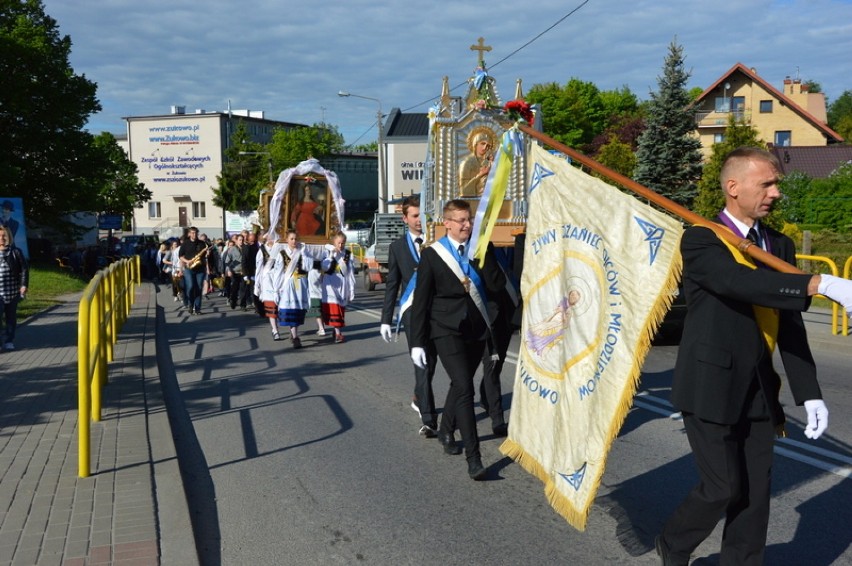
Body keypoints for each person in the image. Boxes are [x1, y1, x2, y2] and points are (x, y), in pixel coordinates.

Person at [655, 147, 852, 566]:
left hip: (760, 389)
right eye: (767, 183)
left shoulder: (778, 244)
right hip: (710, 385)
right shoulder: (702, 237)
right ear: (733, 187)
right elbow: (738, 282)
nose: (776, 192)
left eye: (776, 183)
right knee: (722, 487)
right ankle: (673, 544)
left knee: (755, 497)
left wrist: (808, 392)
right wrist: (815, 284)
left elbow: (789, 326)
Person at [409, 199, 506, 480]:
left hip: (476, 329)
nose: (467, 225)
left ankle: (447, 430)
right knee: (465, 387)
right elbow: (422, 302)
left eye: (469, 219)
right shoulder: (432, 255)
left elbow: (496, 287)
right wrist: (417, 342)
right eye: (461, 220)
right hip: (445, 328)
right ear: (447, 223)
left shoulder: (479, 249)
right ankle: (474, 459)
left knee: (459, 384)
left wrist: (483, 256)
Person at [380, 195, 439, 437]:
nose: (419, 220)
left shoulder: (437, 241)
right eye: (414, 216)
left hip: (436, 311)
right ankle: (429, 419)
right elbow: (392, 284)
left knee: (432, 362)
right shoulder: (397, 247)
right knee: (421, 364)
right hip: (412, 313)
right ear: (405, 218)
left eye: (422, 215)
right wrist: (385, 318)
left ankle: (419, 395)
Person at [272, 229, 312, 349]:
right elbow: (278, 272)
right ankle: (295, 337)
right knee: (291, 310)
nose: (294, 241)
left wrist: (305, 254)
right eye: (292, 239)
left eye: (296, 239)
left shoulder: (302, 252)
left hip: (301, 284)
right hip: (288, 285)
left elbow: (308, 267)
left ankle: (294, 333)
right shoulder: (282, 254)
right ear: (287, 240)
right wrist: (276, 289)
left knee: (298, 311)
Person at [320, 231, 356, 343]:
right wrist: (331, 256)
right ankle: (338, 334)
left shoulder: (348, 254)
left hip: (342, 285)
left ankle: (336, 331)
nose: (340, 245)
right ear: (334, 242)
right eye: (338, 243)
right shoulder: (328, 253)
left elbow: (350, 273)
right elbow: (325, 267)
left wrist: (351, 290)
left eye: (343, 243)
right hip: (331, 285)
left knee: (341, 309)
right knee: (335, 308)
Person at [0, 225, 28, 351]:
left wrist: (23, 285)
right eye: (0, 236)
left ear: (9, 237)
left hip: (12, 292)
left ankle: (9, 340)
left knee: (10, 318)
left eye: (4, 236)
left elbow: (24, 270)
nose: (2, 238)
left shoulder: (15, 252)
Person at [255, 235, 285, 340]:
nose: (272, 240)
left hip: (279, 278)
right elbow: (259, 269)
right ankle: (275, 330)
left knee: (281, 305)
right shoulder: (262, 251)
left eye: (274, 238)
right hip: (267, 280)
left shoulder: (281, 250)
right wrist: (257, 285)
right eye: (270, 238)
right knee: (271, 306)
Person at [178, 227, 209, 315]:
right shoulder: (185, 244)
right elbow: (180, 256)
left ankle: (198, 308)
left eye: (195, 233)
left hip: (200, 269)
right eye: (192, 233)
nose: (194, 235)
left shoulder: (202, 243)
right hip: (189, 268)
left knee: (199, 288)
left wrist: (207, 254)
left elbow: (205, 256)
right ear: (189, 234)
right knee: (191, 287)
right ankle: (190, 304)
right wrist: (188, 261)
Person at [458, 129, 494, 197]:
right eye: (482, 143)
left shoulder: (489, 162)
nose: (485, 147)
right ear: (475, 144)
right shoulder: (466, 163)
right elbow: (463, 190)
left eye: (488, 146)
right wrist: (480, 175)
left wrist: (493, 167)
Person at [223, 234, 246, 310]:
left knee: (243, 289)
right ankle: (233, 300)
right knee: (235, 288)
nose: (241, 241)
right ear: (236, 241)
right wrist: (229, 270)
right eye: (240, 240)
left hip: (243, 272)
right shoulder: (232, 249)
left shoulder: (245, 248)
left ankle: (243, 305)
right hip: (235, 271)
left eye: (242, 240)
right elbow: (227, 261)